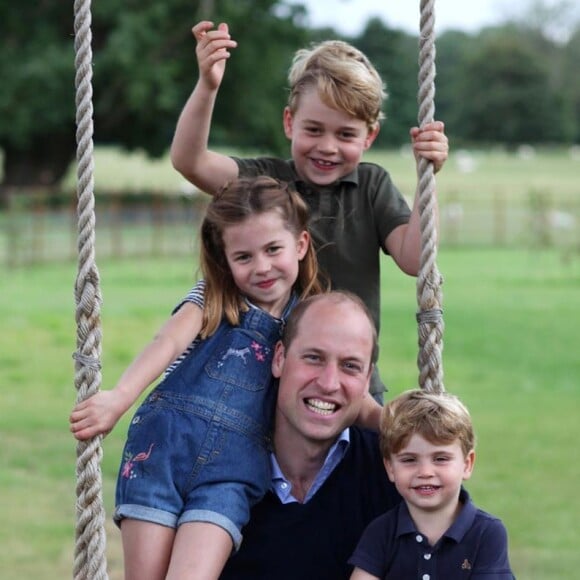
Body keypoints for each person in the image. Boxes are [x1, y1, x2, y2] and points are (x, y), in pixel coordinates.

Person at [170, 21, 449, 403]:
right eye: (314, 130)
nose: (328, 147)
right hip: (266, 386)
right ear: (289, 122)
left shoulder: (371, 186)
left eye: (346, 135)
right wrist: (208, 86)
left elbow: (416, 259)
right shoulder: (266, 182)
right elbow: (190, 161)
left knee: (365, 460)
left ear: (369, 137)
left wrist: (426, 177)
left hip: (352, 385)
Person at [70, 176, 329, 580]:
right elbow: (168, 341)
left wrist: (383, 420)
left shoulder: (307, 321)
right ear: (225, 260)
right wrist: (119, 398)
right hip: (161, 451)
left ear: (300, 244)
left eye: (273, 249)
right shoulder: (213, 297)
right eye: (243, 257)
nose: (261, 266)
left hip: (233, 473)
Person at [219, 291, 402, 580]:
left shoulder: (396, 475)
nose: (329, 383)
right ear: (279, 358)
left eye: (350, 366)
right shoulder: (216, 469)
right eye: (314, 358)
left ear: (367, 381)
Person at [349, 389, 515, 579]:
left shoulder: (486, 533)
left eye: (440, 459)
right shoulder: (381, 532)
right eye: (409, 460)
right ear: (390, 468)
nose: (425, 472)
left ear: (467, 464)